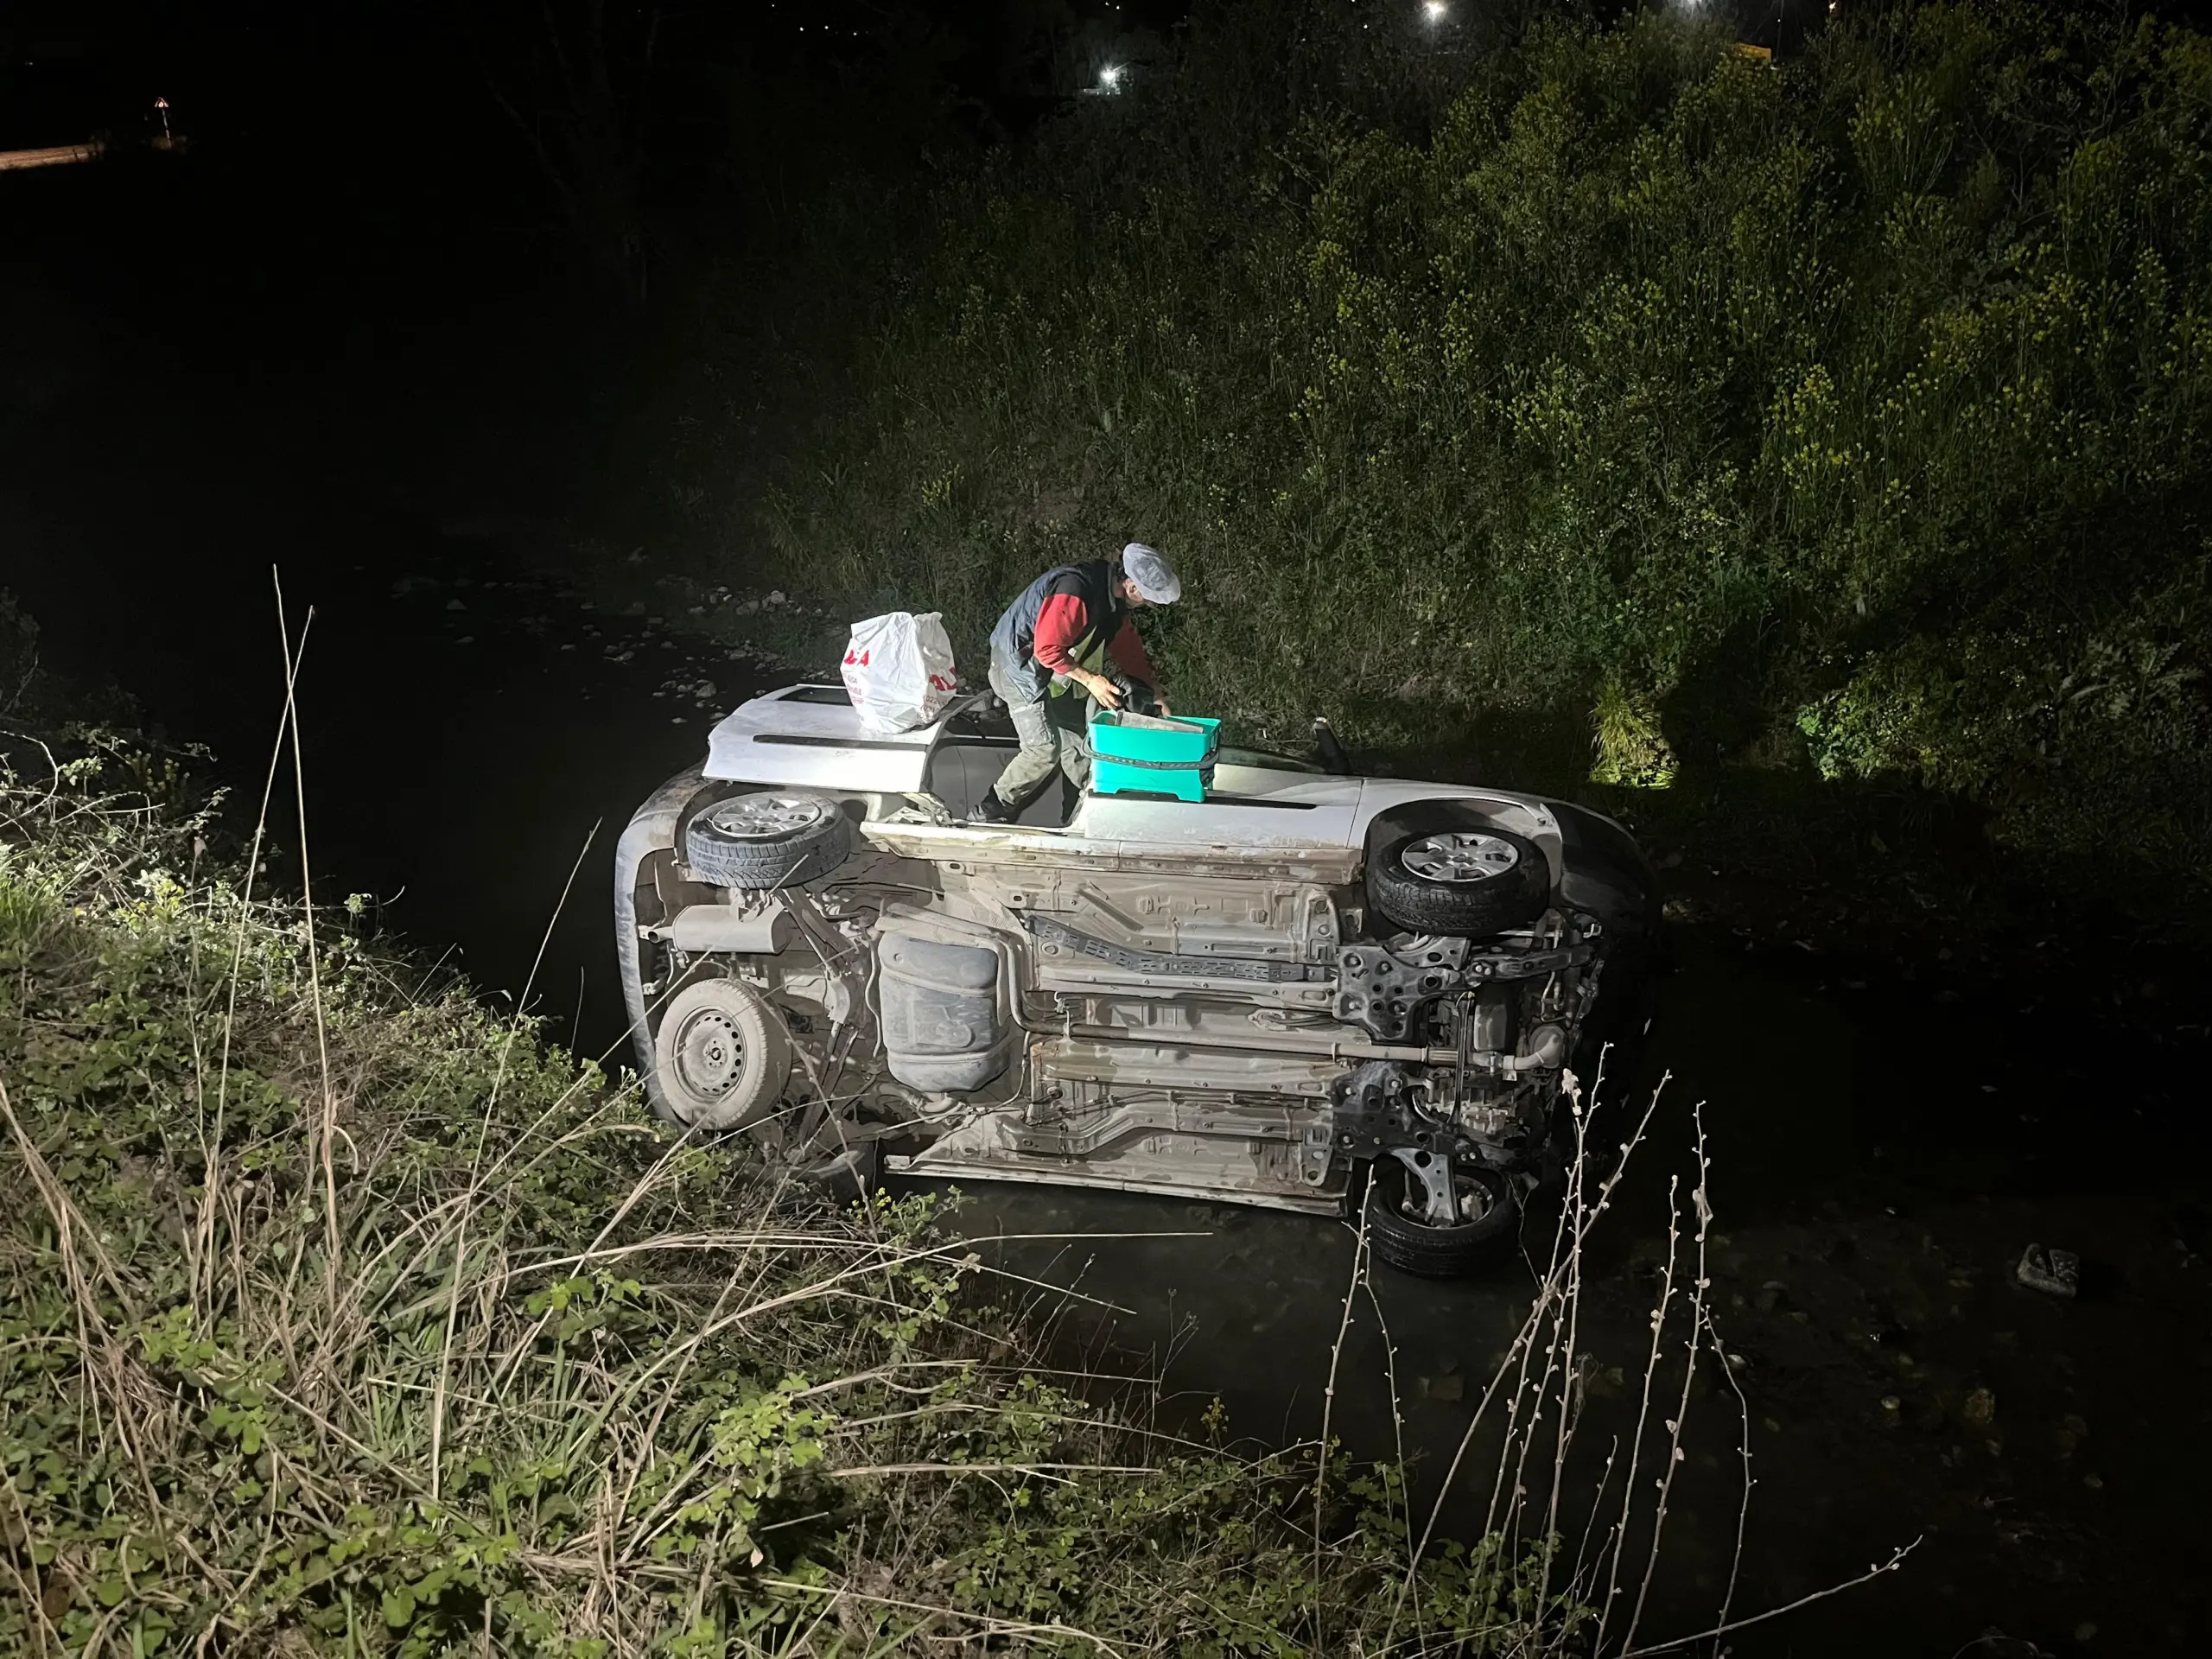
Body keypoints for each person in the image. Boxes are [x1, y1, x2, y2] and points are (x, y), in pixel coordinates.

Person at [972, 543, 1179, 823]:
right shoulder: (1077, 589)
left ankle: (1092, 809)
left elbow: (1127, 649)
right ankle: (989, 810)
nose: (1149, 605)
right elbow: (1047, 649)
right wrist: (1092, 680)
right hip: (1015, 663)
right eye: (1149, 599)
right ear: (1132, 587)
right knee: (1044, 749)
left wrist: (1156, 694)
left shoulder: (1112, 601)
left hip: (1046, 668)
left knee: (1080, 742)